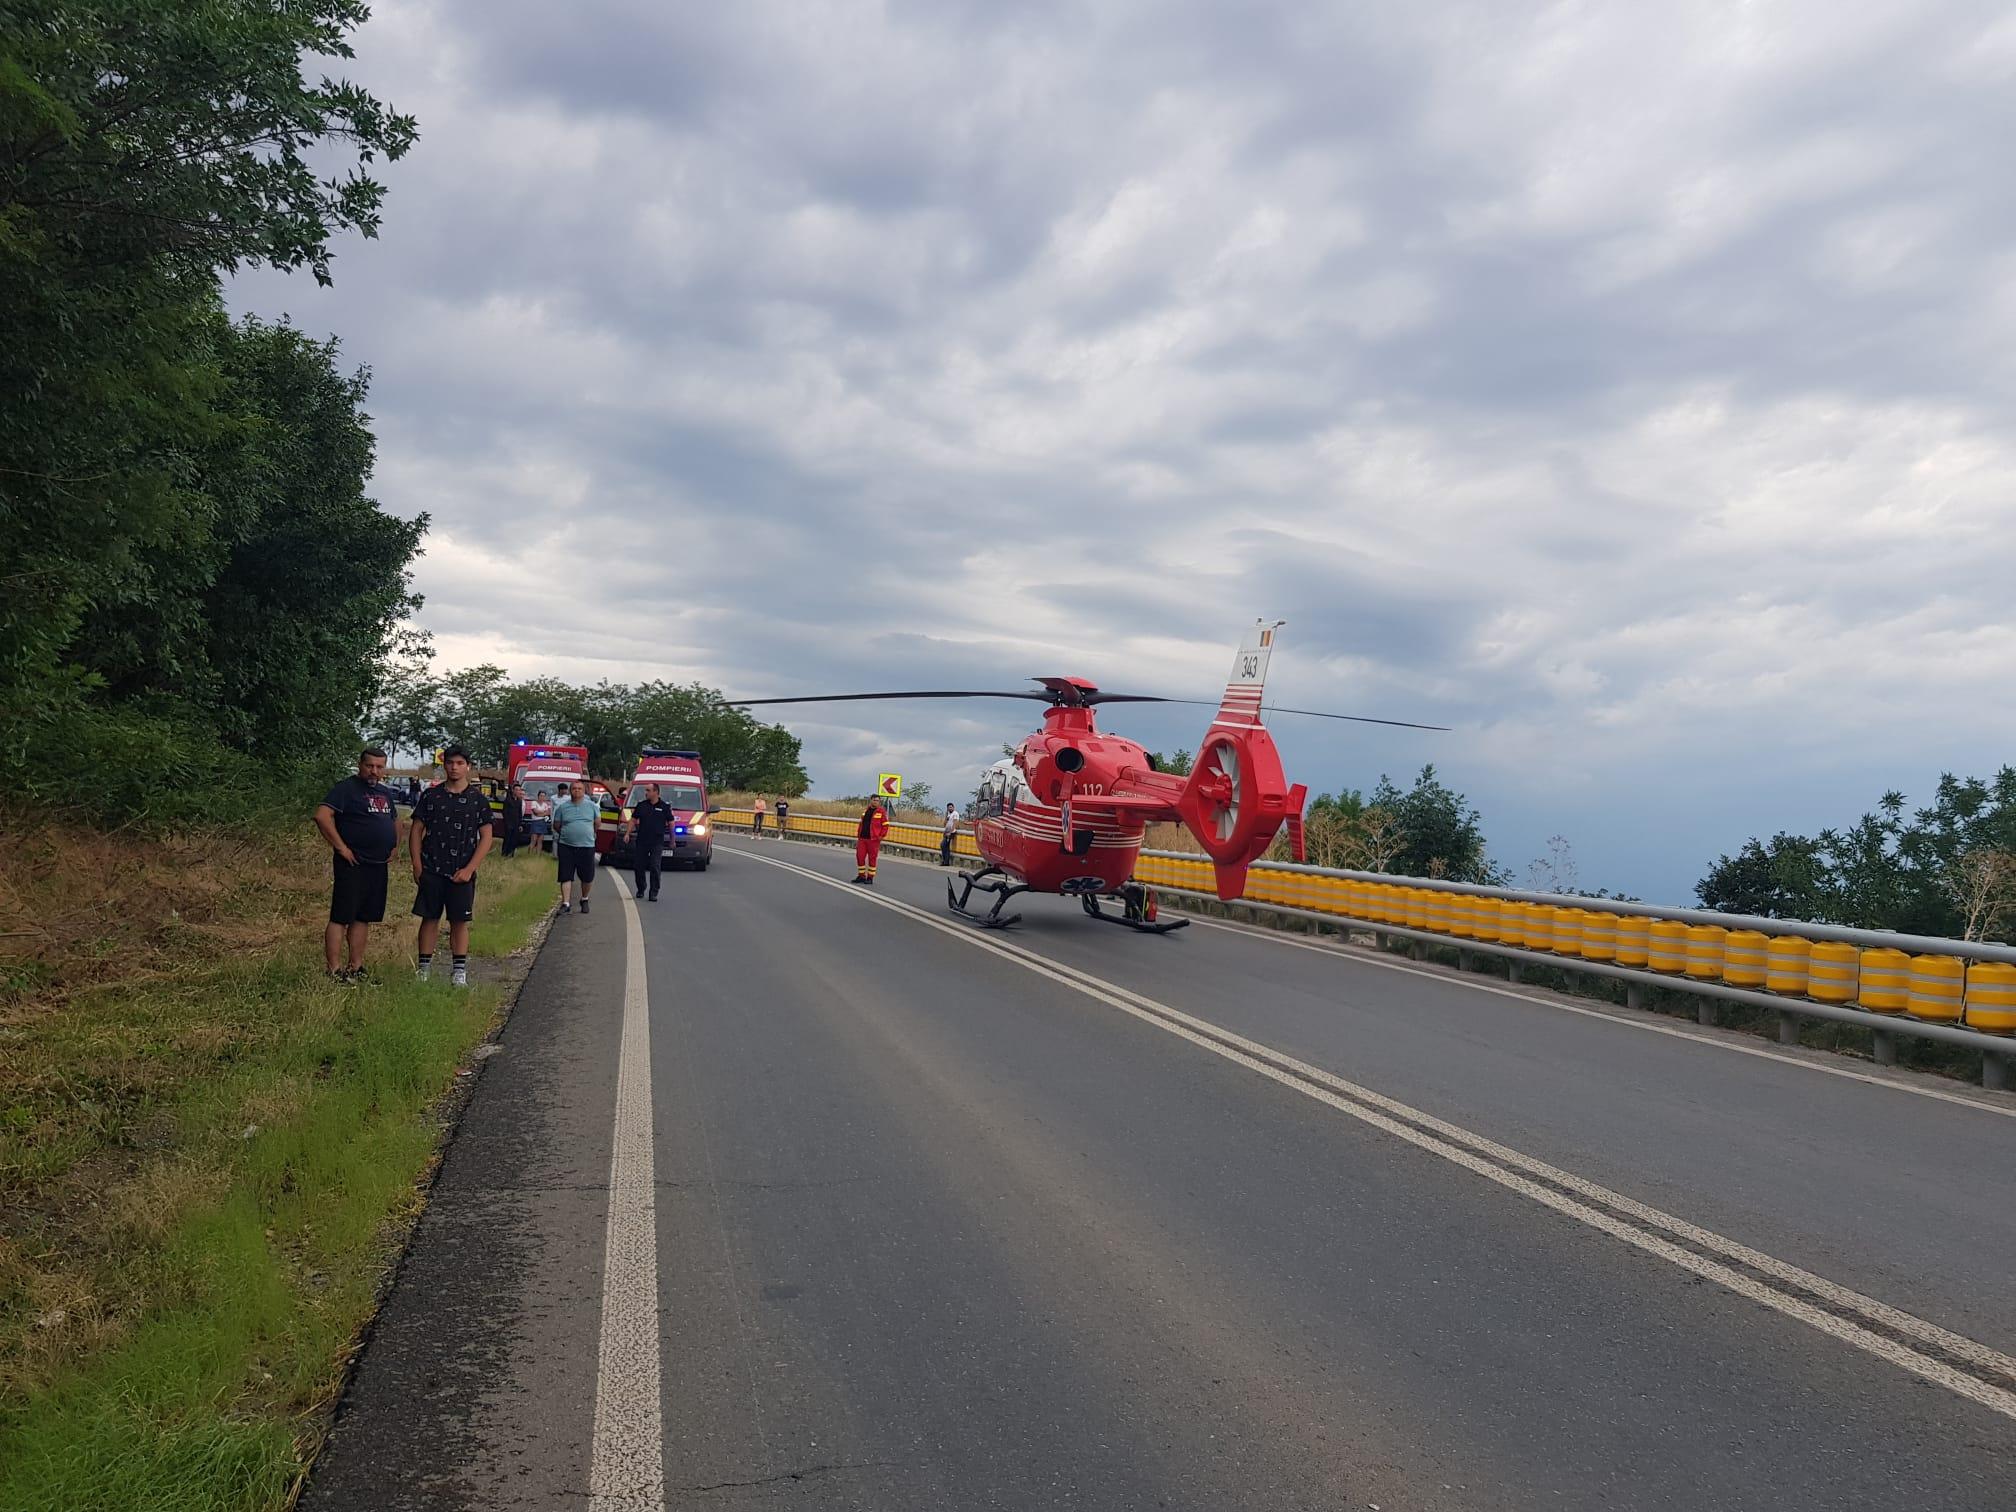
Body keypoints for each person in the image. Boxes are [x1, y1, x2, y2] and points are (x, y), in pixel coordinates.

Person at [409, 746, 494, 987]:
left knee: (459, 921)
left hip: (462, 871)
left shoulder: (478, 800)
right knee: (429, 918)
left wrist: (470, 868)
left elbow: (486, 836)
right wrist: (417, 864)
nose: (454, 767)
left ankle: (459, 972)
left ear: (467, 766)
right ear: (444, 765)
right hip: (432, 868)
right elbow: (416, 831)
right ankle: (423, 969)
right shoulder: (431, 796)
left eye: (459, 763)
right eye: (450, 763)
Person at [313, 747, 400, 981]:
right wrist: (341, 847)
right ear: (360, 764)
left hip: (378, 863)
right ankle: (333, 969)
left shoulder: (385, 793)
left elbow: (393, 820)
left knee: (363, 917)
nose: (374, 771)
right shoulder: (346, 789)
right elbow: (322, 816)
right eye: (369, 766)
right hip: (352, 863)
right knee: (341, 916)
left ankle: (356, 967)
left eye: (379, 767)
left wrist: (394, 845)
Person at [552, 779, 600, 913]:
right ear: (570, 791)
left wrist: (589, 833)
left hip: (586, 845)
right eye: (574, 789)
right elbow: (556, 825)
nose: (577, 791)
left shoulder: (592, 806)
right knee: (565, 875)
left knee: (587, 876)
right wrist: (567, 833)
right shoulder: (562, 807)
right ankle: (566, 903)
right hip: (566, 845)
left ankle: (584, 899)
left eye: (579, 789)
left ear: (584, 791)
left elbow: (597, 823)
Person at [624, 782, 673, 901]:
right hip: (642, 841)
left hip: (657, 842)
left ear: (656, 792)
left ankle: (654, 892)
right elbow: (633, 820)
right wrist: (627, 833)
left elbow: (671, 824)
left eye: (648, 790)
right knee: (638, 866)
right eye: (646, 790)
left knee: (655, 866)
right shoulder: (641, 805)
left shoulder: (664, 807)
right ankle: (641, 888)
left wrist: (672, 840)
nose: (646, 793)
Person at [853, 798, 889, 885]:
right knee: (860, 857)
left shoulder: (881, 812)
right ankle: (861, 876)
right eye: (874, 800)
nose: (875, 802)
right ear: (871, 801)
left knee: (872, 858)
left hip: (873, 839)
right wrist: (858, 834)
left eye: (877, 800)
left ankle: (870, 877)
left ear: (879, 802)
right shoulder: (866, 810)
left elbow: (885, 825)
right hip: (862, 838)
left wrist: (881, 836)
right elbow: (861, 823)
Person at [500, 782, 526, 859]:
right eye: (516, 790)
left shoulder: (519, 801)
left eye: (519, 790)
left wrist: (520, 824)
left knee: (514, 840)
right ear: (513, 790)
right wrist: (507, 823)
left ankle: (511, 854)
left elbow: (519, 813)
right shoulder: (508, 800)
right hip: (509, 823)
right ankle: (504, 853)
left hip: (516, 824)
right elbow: (504, 812)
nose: (518, 791)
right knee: (507, 838)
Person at [940, 801, 959, 867]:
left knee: (943, 845)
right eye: (948, 807)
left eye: (951, 807)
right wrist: (946, 817)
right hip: (946, 831)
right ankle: (945, 861)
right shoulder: (948, 815)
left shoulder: (955, 813)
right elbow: (944, 824)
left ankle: (945, 861)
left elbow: (955, 823)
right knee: (946, 847)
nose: (950, 808)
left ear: (953, 807)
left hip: (951, 832)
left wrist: (950, 832)